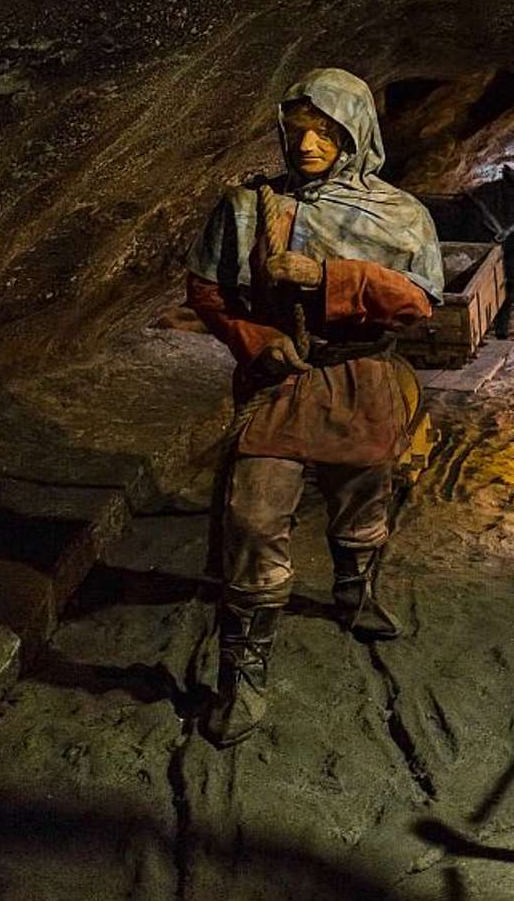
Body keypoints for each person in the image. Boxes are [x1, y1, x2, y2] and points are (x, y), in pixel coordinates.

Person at [184, 67, 444, 747]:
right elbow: (206, 290)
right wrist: (253, 337)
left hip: (362, 380)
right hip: (282, 386)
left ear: (354, 134)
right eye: (296, 131)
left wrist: (330, 276)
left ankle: (357, 592)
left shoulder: (400, 213)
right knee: (252, 518)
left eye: (323, 132)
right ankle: (246, 676)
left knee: (362, 503)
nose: (305, 145)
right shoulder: (247, 209)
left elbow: (419, 302)